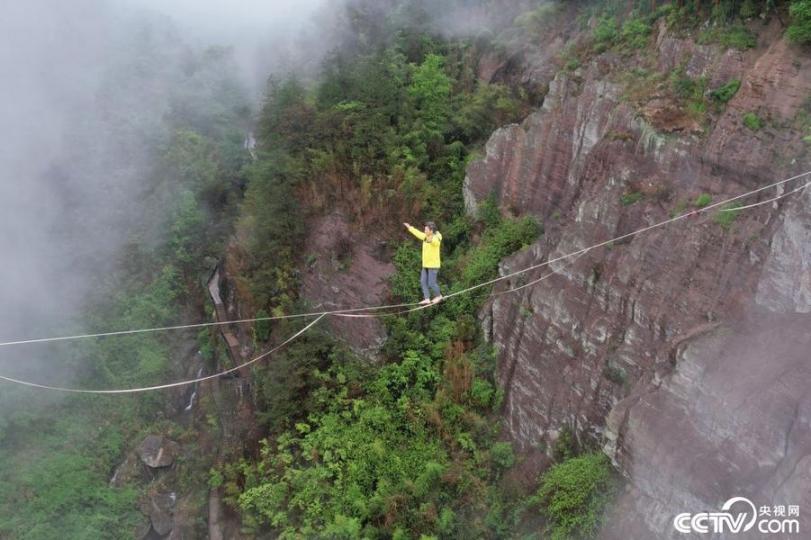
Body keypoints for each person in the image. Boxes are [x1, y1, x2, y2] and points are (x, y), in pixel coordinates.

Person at [404, 221, 443, 305]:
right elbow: (418, 234)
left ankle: (439, 296)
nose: (424, 231)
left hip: (433, 265)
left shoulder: (436, 238)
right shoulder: (426, 236)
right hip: (425, 265)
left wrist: (430, 239)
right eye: (424, 229)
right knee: (423, 281)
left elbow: (435, 242)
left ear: (431, 231)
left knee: (431, 283)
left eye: (426, 230)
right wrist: (410, 227)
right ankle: (427, 298)